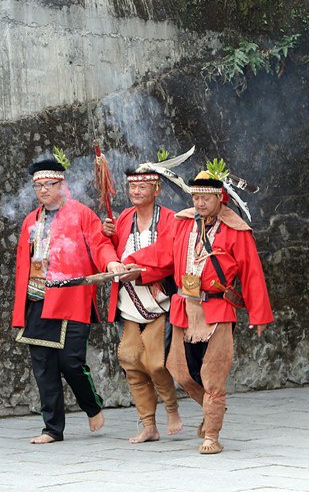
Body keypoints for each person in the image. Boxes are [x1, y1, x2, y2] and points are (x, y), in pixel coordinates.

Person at [122, 164, 273, 455]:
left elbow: (252, 273)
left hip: (217, 309)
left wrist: (259, 314)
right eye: (195, 198)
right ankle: (212, 405)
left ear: (220, 198)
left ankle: (212, 435)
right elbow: (162, 253)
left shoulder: (235, 230)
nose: (199, 203)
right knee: (179, 370)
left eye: (206, 198)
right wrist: (132, 262)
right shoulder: (182, 223)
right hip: (185, 307)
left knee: (213, 373)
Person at [12, 156, 125, 444]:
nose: (43, 190)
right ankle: (52, 428)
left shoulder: (81, 214)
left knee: (71, 362)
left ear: (62, 184)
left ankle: (91, 404)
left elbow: (100, 244)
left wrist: (111, 263)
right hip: (38, 299)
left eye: (49, 184)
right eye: (38, 186)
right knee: (44, 367)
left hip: (72, 296)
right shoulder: (30, 221)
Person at [102, 167, 183, 443]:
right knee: (130, 362)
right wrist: (109, 247)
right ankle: (149, 424)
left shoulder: (171, 220)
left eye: (142, 187)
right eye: (132, 187)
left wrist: (140, 268)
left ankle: (172, 409)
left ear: (156, 190)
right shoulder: (124, 217)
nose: (135, 192)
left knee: (157, 364)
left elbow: (170, 255)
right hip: (129, 303)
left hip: (158, 302)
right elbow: (110, 246)